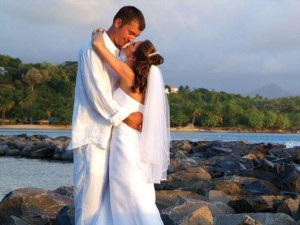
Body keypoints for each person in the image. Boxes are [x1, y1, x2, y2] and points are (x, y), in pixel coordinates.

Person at [68, 6, 145, 225]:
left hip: (112, 137)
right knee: (88, 204)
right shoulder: (90, 51)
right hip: (92, 135)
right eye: (130, 33)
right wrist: (127, 117)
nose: (131, 39)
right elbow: (97, 95)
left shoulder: (118, 52)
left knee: (105, 207)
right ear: (118, 22)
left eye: (136, 37)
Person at [92, 30, 170, 224]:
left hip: (126, 142)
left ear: (134, 57)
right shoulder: (140, 79)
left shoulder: (128, 73)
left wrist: (98, 35)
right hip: (132, 141)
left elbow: (99, 47)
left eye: (134, 44)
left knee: (128, 190)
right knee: (132, 190)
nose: (131, 42)